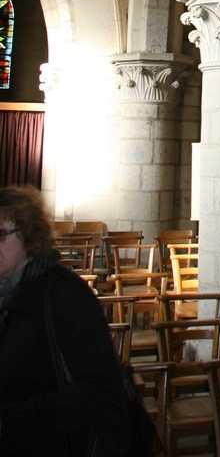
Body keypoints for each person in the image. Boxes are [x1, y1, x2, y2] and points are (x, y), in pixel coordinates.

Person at [0, 185, 129, 456]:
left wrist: (12, 419)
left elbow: (100, 388)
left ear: (30, 235)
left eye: (1, 234)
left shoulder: (63, 294)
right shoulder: (6, 294)